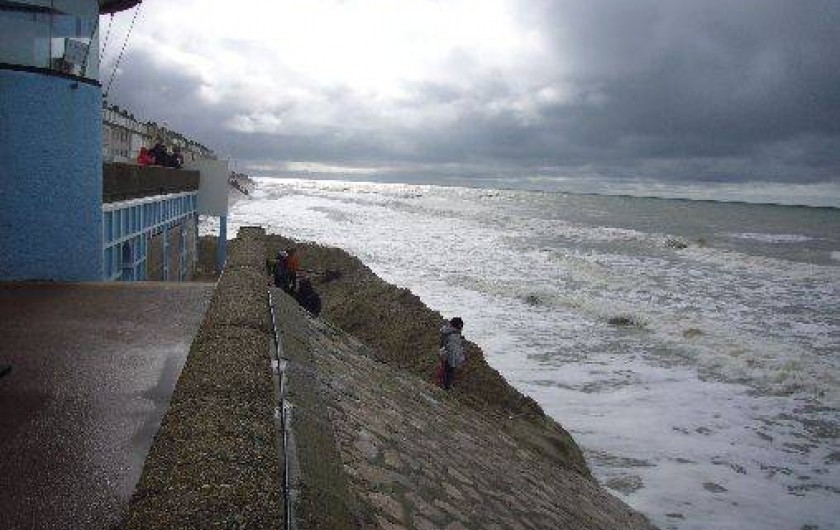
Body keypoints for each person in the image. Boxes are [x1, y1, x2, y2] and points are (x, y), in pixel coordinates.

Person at [439, 317, 465, 390]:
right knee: (448, 372)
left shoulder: (448, 331)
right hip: (449, 357)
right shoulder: (453, 336)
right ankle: (446, 387)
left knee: (445, 371)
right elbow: (453, 349)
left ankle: (445, 385)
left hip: (444, 354)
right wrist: (456, 361)